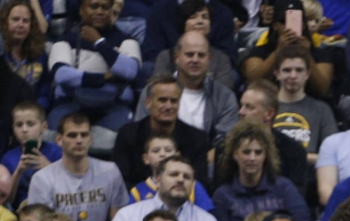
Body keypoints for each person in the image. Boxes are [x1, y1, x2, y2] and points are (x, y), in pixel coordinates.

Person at [25, 114, 129, 221]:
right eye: (72, 135)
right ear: (59, 140)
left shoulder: (110, 171)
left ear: (90, 139)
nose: (79, 140)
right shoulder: (42, 179)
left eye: (84, 135)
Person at [213, 120, 312, 221]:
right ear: (236, 154)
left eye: (258, 152)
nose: (252, 158)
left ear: (265, 155)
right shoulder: (222, 195)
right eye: (246, 152)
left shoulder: (284, 187)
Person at [46, 0, 140, 130]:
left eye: (105, 7)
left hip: (114, 105)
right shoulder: (65, 40)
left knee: (124, 133)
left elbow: (129, 71)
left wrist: (99, 42)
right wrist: (104, 78)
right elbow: (62, 74)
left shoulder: (126, 41)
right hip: (71, 103)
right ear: (81, 9)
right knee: (58, 131)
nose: (100, 12)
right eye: (93, 6)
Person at [134, 31, 239, 147]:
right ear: (176, 57)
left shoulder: (224, 96)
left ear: (209, 59)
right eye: (189, 54)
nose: (195, 60)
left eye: (201, 55)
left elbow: (227, 139)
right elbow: (141, 131)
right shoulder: (154, 90)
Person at [112, 75, 212, 191]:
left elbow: (198, 184)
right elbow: (121, 182)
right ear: (148, 103)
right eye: (162, 100)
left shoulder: (197, 138)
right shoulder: (128, 134)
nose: (168, 106)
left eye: (174, 101)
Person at [230, 80, 310, 197]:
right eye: (242, 105)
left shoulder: (293, 151)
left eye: (249, 107)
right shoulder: (227, 147)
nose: (241, 112)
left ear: (269, 114)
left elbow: (295, 197)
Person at [241, 0, 334, 99]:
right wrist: (278, 51)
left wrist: (306, 55)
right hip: (269, 104)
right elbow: (254, 82)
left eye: (296, 21)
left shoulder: (319, 54)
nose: (288, 26)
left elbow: (322, 89)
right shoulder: (260, 51)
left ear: (303, 25)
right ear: (275, 25)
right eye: (283, 22)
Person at [273, 45, 337, 165]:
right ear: (277, 73)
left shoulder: (322, 109)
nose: (293, 76)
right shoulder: (266, 106)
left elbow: (333, 154)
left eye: (299, 70)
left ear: (307, 74)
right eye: (287, 70)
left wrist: (299, 157)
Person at [151, 0, 235, 90]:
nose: (200, 21)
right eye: (193, 17)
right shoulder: (165, 57)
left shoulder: (221, 59)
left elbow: (223, 95)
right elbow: (157, 91)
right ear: (183, 23)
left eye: (205, 17)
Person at [126, 134, 214, 211]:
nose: (163, 154)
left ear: (177, 155)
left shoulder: (193, 186)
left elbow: (205, 215)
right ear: (146, 158)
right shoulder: (138, 191)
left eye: (168, 150)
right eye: (156, 151)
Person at [0, 102, 60, 209]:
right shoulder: (8, 158)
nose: (24, 129)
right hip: (22, 211)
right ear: (13, 128)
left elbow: (69, 191)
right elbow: (6, 199)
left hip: (53, 209)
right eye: (19, 125)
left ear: (44, 126)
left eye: (30, 124)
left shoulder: (57, 152)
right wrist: (18, 171)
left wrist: (50, 168)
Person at [0, 0, 49, 105]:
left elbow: (44, 93)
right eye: (15, 19)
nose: (20, 25)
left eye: (26, 21)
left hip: (33, 114)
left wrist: (35, 111)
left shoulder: (40, 56)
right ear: (5, 22)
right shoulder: (2, 56)